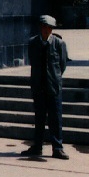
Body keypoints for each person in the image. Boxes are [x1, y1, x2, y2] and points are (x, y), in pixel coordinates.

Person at [21, 15, 69, 160]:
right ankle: (37, 146)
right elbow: (33, 62)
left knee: (55, 118)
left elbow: (62, 64)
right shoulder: (33, 42)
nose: (46, 30)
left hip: (53, 85)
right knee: (39, 117)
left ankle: (57, 147)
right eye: (44, 27)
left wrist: (54, 78)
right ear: (40, 27)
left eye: (49, 28)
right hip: (38, 85)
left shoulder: (59, 43)